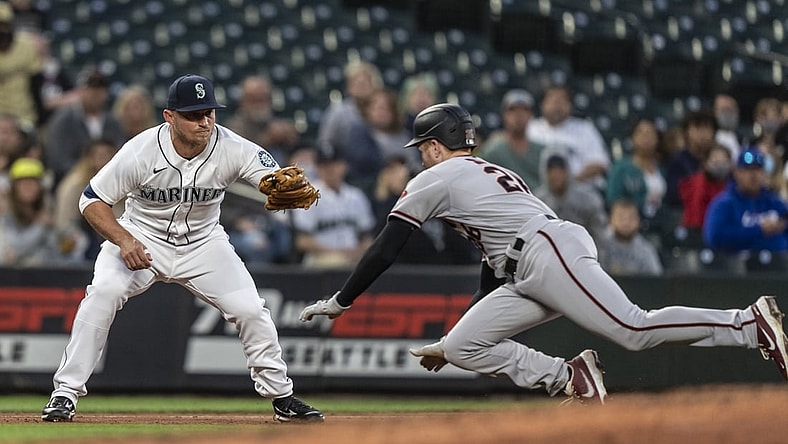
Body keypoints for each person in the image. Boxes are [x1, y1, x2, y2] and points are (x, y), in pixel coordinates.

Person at [298, 103, 788, 405]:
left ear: (437, 144)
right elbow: (491, 269)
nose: (420, 153)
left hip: (544, 251)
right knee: (462, 346)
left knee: (634, 329)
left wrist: (343, 300)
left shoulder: (436, 177)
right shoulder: (479, 174)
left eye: (424, 144)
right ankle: (569, 376)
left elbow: (387, 245)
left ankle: (747, 323)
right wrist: (459, 334)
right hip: (529, 260)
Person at [40, 74, 323, 423]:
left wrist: (279, 182)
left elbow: (270, 174)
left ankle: (282, 397)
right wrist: (124, 240)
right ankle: (64, 394)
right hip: (142, 236)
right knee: (104, 292)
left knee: (250, 309)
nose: (204, 121)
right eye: (193, 114)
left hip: (204, 244)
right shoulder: (140, 151)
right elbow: (91, 200)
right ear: (169, 117)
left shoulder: (232, 146)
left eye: (209, 112)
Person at [291, 145, 376, 268]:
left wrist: (359, 252)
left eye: (334, 164)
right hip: (320, 259)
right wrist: (338, 253)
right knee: (336, 262)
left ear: (344, 166)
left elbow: (367, 237)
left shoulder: (356, 196)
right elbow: (302, 241)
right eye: (324, 165)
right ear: (317, 168)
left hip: (353, 258)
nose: (330, 169)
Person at [44, 68, 126, 186]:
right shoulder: (63, 119)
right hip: (71, 183)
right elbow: (58, 160)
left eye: (100, 89)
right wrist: (88, 174)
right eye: (90, 89)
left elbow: (121, 154)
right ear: (80, 91)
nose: (95, 94)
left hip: (109, 184)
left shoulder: (113, 122)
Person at [703, 148, 788, 253]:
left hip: (778, 265)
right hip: (736, 266)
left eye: (758, 169)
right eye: (747, 170)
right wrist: (759, 230)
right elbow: (715, 237)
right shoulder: (724, 203)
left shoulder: (775, 203)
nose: (753, 175)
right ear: (737, 172)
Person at [527, 84, 610, 190]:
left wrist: (568, 182)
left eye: (562, 100)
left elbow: (599, 164)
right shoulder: (531, 128)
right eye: (552, 100)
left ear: (570, 105)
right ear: (542, 104)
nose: (557, 105)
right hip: (539, 189)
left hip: (579, 189)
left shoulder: (585, 128)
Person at [53, 139, 121, 261]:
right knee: (77, 242)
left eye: (108, 155)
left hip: (116, 235)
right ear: (89, 158)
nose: (103, 160)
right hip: (83, 238)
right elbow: (63, 223)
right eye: (99, 155)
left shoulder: (124, 182)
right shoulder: (74, 185)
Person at [341, 87, 415, 197]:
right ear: (367, 110)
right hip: (370, 188)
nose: (381, 113)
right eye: (377, 108)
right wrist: (390, 172)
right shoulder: (359, 133)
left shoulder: (405, 136)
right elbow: (363, 160)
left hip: (407, 186)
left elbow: (415, 163)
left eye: (386, 108)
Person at [476, 89, 546, 188]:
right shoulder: (493, 151)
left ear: (531, 115)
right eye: (512, 109)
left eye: (524, 109)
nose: (519, 114)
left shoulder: (543, 152)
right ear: (504, 114)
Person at [534, 154, 608, 242]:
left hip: (583, 247)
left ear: (567, 172)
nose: (556, 175)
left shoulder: (586, 198)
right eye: (552, 171)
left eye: (560, 171)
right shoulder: (538, 201)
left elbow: (599, 231)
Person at [605, 118, 666, 224]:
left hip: (659, 220)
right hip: (630, 221)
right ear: (633, 138)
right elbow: (613, 199)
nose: (646, 137)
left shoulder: (662, 169)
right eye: (641, 133)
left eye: (650, 133)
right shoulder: (621, 168)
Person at [0, 156, 56, 265]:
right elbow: (16, 247)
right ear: (13, 187)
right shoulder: (6, 212)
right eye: (23, 183)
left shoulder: (46, 208)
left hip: (44, 275)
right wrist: (40, 225)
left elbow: (53, 250)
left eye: (33, 182)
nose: (28, 187)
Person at [317, 60, 383, 152]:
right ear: (348, 87)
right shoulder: (338, 112)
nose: (361, 87)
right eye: (356, 83)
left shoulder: (383, 109)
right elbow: (325, 143)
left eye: (365, 83)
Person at [664, 110, 718, 208]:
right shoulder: (678, 160)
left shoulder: (719, 158)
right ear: (686, 132)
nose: (703, 134)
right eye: (698, 128)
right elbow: (673, 195)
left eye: (707, 128)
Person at [0, 1, 40, 128]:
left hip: (24, 114)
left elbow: (36, 84)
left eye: (4, 25)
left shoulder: (26, 44)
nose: (1, 30)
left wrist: (40, 117)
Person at [597, 199, 663, 276]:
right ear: (611, 220)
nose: (626, 222)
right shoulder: (600, 246)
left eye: (631, 218)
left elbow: (656, 279)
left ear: (638, 221)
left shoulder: (646, 249)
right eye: (621, 217)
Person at [678, 144, 731, 231]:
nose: (720, 165)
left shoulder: (732, 185)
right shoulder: (698, 184)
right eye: (716, 161)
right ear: (706, 163)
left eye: (724, 161)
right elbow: (695, 217)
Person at [226, 75, 274, 148]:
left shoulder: (274, 121)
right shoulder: (234, 128)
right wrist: (268, 139)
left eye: (263, 99)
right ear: (242, 102)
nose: (259, 105)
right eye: (253, 100)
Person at [713, 93, 742, 161]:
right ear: (714, 111)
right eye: (723, 110)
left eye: (730, 110)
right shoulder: (708, 140)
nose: (727, 114)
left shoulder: (745, 141)